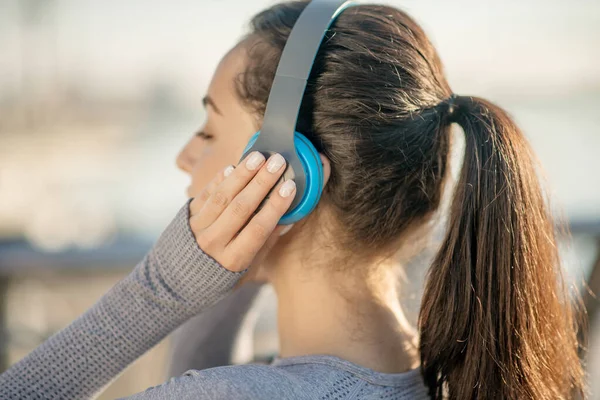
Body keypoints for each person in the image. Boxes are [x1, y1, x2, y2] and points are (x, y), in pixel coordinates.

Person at [0, 1, 586, 399]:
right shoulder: (452, 382)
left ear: (290, 177)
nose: (184, 155)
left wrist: (166, 290)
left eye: (208, 130)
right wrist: (227, 282)